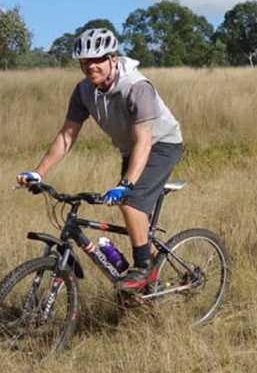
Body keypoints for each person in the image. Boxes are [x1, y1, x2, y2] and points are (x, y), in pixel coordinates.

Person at [16, 28, 183, 293]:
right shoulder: (84, 91)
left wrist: (126, 183)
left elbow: (144, 141)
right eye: (85, 62)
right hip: (131, 149)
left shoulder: (136, 87)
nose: (91, 66)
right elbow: (67, 135)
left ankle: (142, 270)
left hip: (161, 144)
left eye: (98, 59)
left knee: (130, 203)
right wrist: (39, 173)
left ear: (113, 58)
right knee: (137, 218)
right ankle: (149, 288)